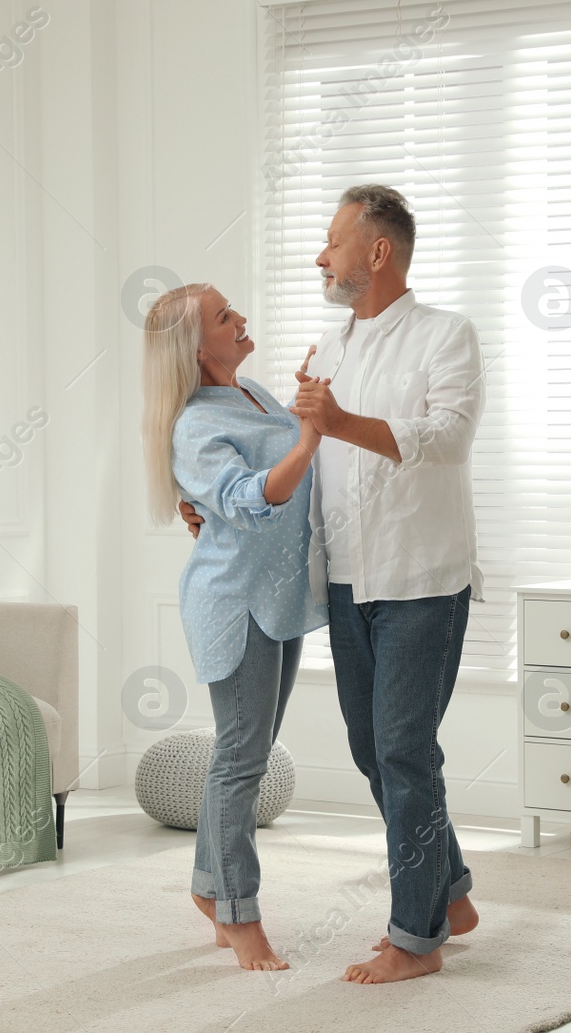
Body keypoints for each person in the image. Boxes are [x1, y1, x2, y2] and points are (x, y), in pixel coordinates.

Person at [184, 185, 487, 984]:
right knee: (372, 746)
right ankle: (449, 890)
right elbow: (290, 461)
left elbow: (446, 439)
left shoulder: (446, 336)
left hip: (423, 579)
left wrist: (338, 418)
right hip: (348, 583)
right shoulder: (327, 347)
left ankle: (416, 937)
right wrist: (206, 506)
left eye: (332, 240)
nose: (321, 255)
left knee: (403, 749)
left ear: (376, 251)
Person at [141, 282, 327, 972]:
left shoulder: (255, 395)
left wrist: (306, 416)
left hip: (280, 599)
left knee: (246, 752)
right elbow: (250, 501)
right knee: (242, 757)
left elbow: (290, 480)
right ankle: (240, 914)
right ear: (196, 345)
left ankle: (209, 889)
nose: (241, 317)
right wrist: (308, 438)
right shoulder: (194, 423)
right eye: (225, 316)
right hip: (235, 602)